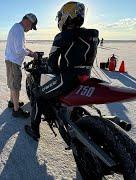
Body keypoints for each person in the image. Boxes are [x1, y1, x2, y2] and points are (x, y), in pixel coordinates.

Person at [25, 1, 99, 141]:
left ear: (66, 16)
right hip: (85, 77)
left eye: (60, 16)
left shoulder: (62, 36)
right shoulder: (93, 34)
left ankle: (34, 131)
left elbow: (52, 64)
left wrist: (44, 67)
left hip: (67, 80)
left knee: (37, 95)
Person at [5, 13, 39, 118]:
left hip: (11, 60)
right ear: (28, 21)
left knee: (12, 83)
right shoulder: (19, 30)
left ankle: (12, 102)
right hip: (14, 62)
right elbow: (19, 50)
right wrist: (31, 54)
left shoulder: (16, 28)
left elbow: (22, 47)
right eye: (31, 26)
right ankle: (16, 110)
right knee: (15, 86)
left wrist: (30, 51)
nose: (30, 29)